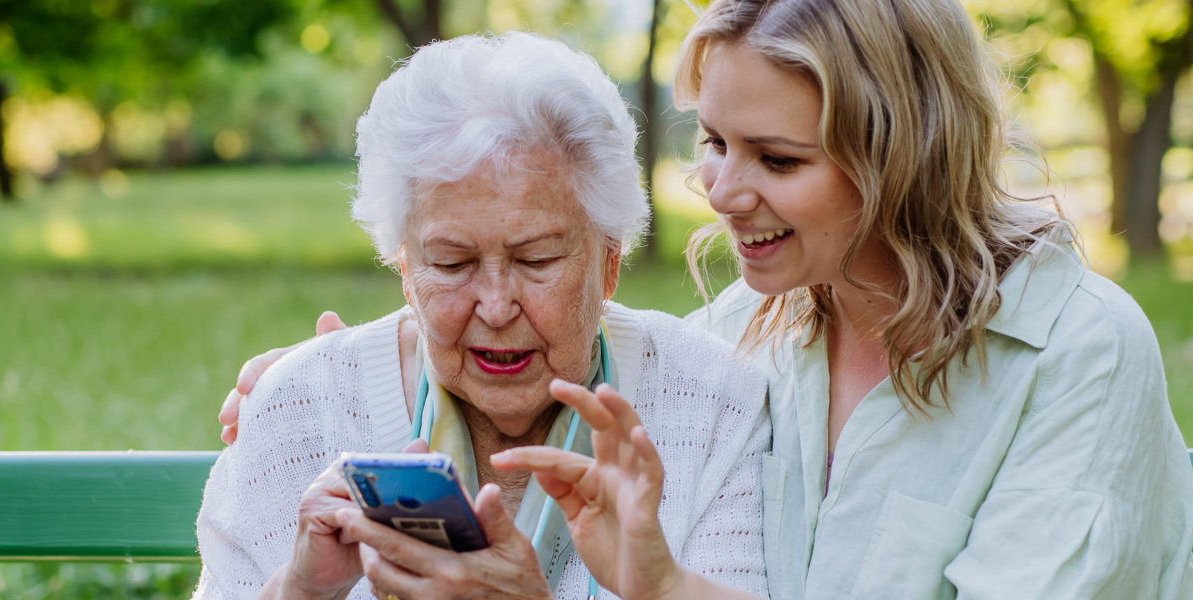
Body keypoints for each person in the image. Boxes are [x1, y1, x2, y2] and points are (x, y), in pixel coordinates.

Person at [223, 0, 1193, 598]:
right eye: (715, 144)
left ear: (904, 153)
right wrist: (342, 369)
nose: (722, 194)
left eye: (776, 158)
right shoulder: (748, 335)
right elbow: (571, 336)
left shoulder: (1073, 351)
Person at [193, 32, 771, 600]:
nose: (495, 307)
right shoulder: (298, 408)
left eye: (536, 259)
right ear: (404, 271)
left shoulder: (714, 403)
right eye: (450, 263)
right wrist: (299, 592)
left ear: (609, 264)